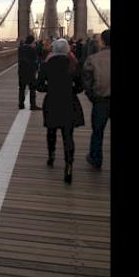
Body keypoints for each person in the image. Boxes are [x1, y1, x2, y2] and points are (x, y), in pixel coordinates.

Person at [35, 38, 85, 184]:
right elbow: (80, 87)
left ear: (53, 49)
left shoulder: (46, 66)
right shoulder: (74, 65)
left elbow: (39, 86)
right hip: (69, 102)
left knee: (51, 131)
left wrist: (49, 89)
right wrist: (71, 91)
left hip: (52, 102)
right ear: (67, 50)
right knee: (68, 135)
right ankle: (68, 165)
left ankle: (51, 156)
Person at [82, 29, 111, 171]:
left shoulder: (93, 59)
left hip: (101, 101)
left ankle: (95, 159)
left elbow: (86, 82)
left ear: (103, 41)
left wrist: (93, 97)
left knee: (97, 132)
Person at [18, 34, 41, 110]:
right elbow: (35, 61)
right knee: (32, 89)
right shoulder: (32, 49)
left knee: (22, 89)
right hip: (30, 72)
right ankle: (33, 105)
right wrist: (37, 69)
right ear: (31, 42)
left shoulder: (20, 48)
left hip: (21, 72)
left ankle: (21, 104)